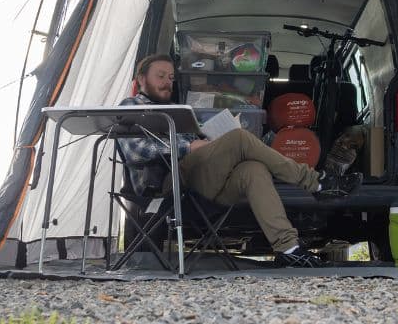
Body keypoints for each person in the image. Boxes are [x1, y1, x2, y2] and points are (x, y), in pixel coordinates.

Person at [117, 53, 356, 268]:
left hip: (200, 184)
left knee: (253, 169)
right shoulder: (132, 106)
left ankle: (288, 248)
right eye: (160, 76)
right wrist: (188, 145)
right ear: (141, 78)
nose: (167, 82)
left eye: (170, 77)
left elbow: (199, 144)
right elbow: (135, 152)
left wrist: (209, 138)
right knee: (240, 139)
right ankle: (317, 183)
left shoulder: (176, 107)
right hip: (167, 185)